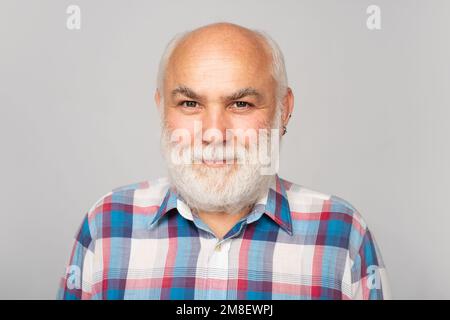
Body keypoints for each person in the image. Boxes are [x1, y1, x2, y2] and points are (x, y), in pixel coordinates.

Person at [57, 22, 391, 300]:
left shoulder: (343, 233)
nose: (214, 133)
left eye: (241, 104)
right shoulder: (106, 226)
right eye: (190, 104)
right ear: (162, 109)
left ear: (283, 109)